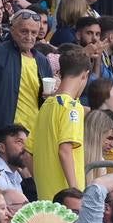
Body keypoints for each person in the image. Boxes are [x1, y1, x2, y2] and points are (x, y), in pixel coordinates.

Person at [32, 48, 91, 200]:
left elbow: (27, 151)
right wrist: (75, 194)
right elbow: (65, 151)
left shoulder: (46, 105)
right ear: (85, 75)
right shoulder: (72, 107)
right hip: (66, 202)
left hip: (45, 198)